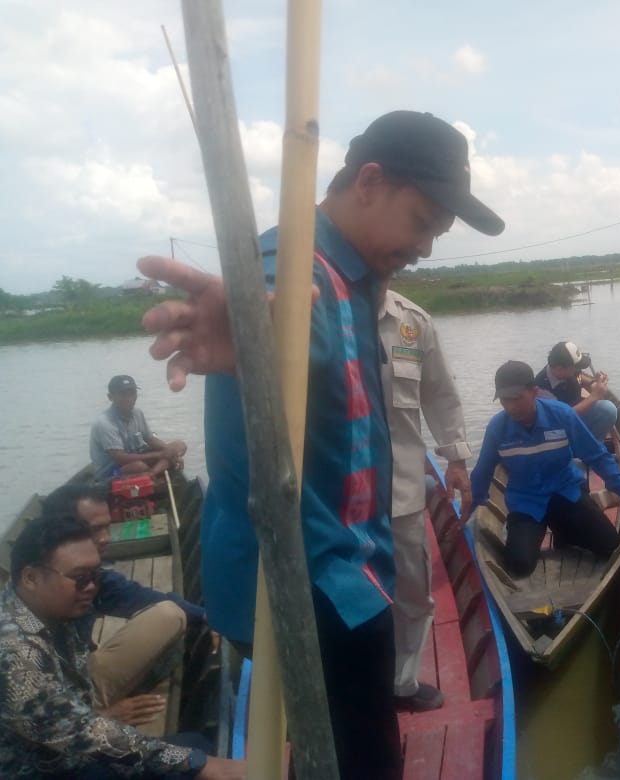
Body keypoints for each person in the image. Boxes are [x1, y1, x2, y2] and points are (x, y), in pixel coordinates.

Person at [138, 110, 504, 779]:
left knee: (345, 751)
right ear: (369, 181)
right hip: (308, 583)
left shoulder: (356, 276)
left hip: (346, 572)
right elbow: (287, 317)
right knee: (356, 759)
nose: (425, 248)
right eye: (421, 221)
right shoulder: (296, 267)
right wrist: (251, 322)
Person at [0, 515, 244, 779]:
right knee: (197, 756)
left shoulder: (51, 608)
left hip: (66, 742)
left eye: (95, 574)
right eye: (81, 578)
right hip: (41, 768)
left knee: (196, 745)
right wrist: (197, 765)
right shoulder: (12, 655)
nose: (92, 587)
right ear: (30, 578)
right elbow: (86, 737)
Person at [40, 483, 208, 737]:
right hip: (49, 709)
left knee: (169, 614)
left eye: (107, 526)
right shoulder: (40, 595)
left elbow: (146, 598)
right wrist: (95, 719)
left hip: (81, 676)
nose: (106, 537)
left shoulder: (92, 578)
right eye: (93, 530)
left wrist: (210, 619)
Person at [378, 283, 472, 712]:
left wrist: (455, 459)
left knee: (412, 591)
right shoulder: (314, 314)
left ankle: (401, 684)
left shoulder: (411, 323)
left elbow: (440, 394)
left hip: (400, 488)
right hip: (328, 496)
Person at [469, 360, 620, 577]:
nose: (511, 406)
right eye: (505, 400)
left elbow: (597, 456)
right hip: (527, 503)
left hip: (567, 494)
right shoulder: (498, 427)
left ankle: (567, 531)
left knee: (611, 547)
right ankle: (545, 533)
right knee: (519, 565)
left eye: (517, 398)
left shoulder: (562, 415)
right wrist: (469, 509)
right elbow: (482, 472)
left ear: (534, 392)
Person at [90, 375, 187, 482]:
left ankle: (151, 473)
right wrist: (160, 454)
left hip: (136, 457)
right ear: (110, 397)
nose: (129, 398)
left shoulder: (137, 413)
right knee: (139, 466)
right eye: (123, 394)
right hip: (112, 468)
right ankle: (153, 472)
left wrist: (171, 452)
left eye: (132, 393)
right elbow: (120, 458)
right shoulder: (104, 422)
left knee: (179, 446)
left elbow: (150, 439)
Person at [533, 341, 617, 439]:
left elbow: (580, 376)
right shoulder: (542, 389)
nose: (578, 369)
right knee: (608, 410)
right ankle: (589, 449)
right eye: (576, 367)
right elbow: (563, 418)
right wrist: (594, 396)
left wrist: (593, 383)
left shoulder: (566, 369)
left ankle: (591, 444)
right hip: (557, 429)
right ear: (560, 369)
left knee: (606, 409)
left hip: (574, 413)